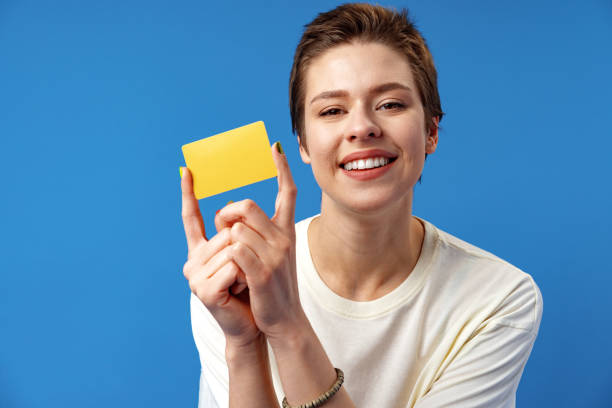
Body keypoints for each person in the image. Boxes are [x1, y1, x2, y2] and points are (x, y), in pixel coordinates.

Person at [180, 3, 543, 408]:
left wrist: (286, 324)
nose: (362, 127)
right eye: (332, 110)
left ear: (431, 131)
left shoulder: (498, 299)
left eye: (390, 104)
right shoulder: (230, 282)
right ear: (302, 143)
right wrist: (244, 342)